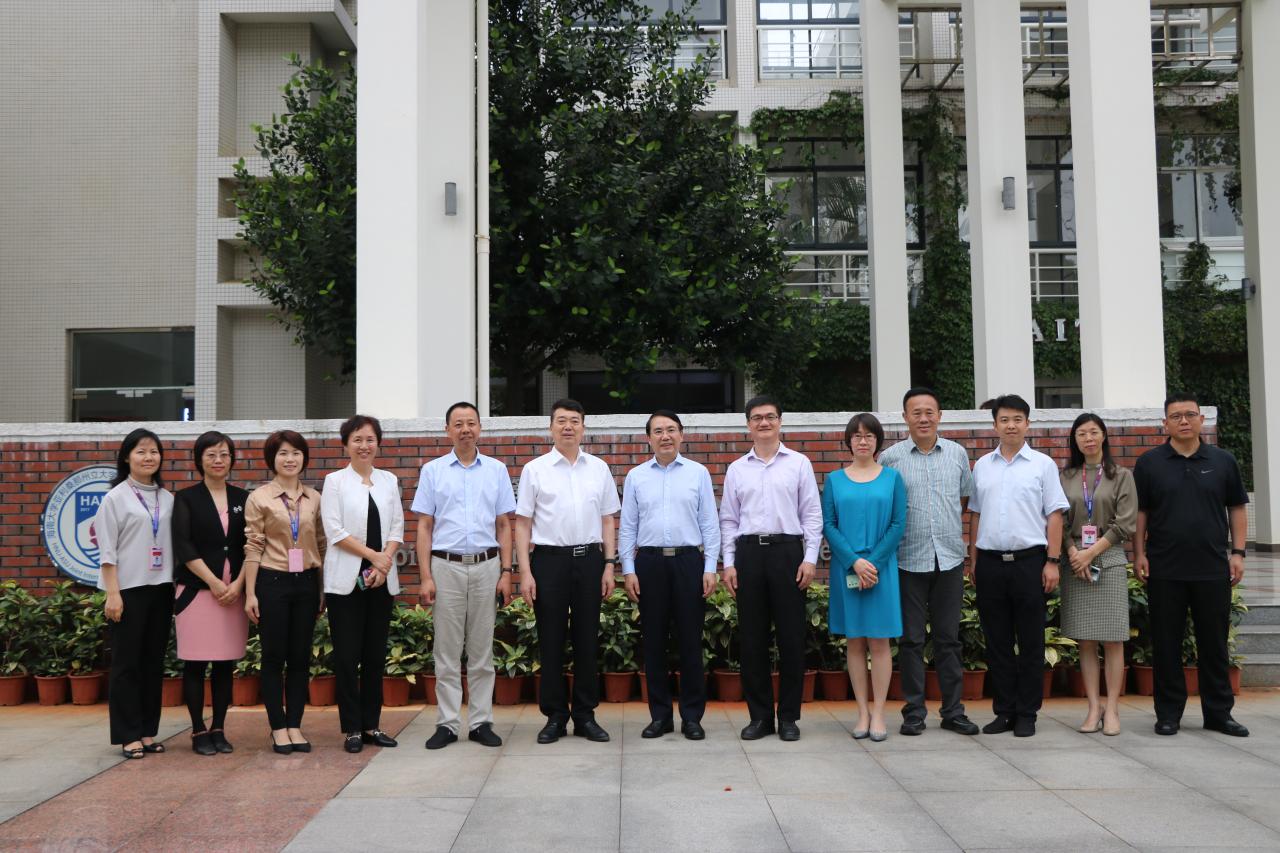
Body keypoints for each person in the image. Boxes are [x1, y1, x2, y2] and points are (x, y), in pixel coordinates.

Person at [1134, 393, 1250, 737]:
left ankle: (1219, 713)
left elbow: (1237, 507)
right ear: (1165, 424)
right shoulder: (1150, 463)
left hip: (1212, 567)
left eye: (1189, 415)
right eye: (1176, 416)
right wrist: (1139, 553)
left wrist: (1238, 552)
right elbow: (1141, 513)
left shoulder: (1223, 461)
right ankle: (1168, 714)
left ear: (1201, 419)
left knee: (1214, 644)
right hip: (1164, 568)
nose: (1183, 421)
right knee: (1166, 644)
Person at [515, 398, 620, 744]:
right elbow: (522, 524)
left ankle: (586, 716)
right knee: (551, 640)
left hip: (590, 560)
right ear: (551, 427)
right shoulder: (535, 469)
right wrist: (525, 572)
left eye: (574, 420)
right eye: (561, 421)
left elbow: (608, 520)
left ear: (583, 427)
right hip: (549, 562)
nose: (568, 427)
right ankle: (555, 717)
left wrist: (609, 565)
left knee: (587, 640)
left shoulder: (598, 468)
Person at [413, 401, 516, 750]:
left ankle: (481, 722)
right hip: (446, 567)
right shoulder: (433, 471)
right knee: (446, 649)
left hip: (487, 566)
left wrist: (506, 572)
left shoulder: (496, 470)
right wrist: (425, 576)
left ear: (480, 429)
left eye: (471, 423)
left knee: (481, 649)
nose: (465, 429)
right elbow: (424, 526)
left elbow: (504, 525)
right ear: (447, 431)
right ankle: (446, 724)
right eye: (458, 424)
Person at [720, 395, 822, 742]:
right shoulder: (737, 469)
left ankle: (789, 717)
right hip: (749, 555)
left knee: (791, 639)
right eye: (757, 418)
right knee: (752, 640)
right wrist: (729, 562)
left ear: (780, 421)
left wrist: (810, 558)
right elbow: (728, 519)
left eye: (770, 417)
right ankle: (760, 717)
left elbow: (811, 515)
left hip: (787, 554)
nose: (764, 423)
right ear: (748, 424)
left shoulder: (799, 463)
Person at [879, 387, 980, 738]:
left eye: (929, 412)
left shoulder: (956, 453)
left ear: (939, 415)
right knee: (910, 640)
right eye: (916, 412)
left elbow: (963, 500)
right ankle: (914, 713)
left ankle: (953, 711)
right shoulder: (890, 458)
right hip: (907, 560)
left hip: (948, 558)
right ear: (905, 417)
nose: (923, 418)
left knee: (948, 639)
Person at [967, 394, 1068, 738]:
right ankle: (1004, 711)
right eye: (1004, 419)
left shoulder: (1042, 465)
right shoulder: (983, 465)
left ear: (1027, 423)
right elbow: (975, 515)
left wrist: (1052, 561)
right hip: (990, 564)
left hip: (1030, 563)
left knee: (1030, 641)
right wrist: (974, 561)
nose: (1011, 425)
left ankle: (1027, 713)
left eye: (1017, 419)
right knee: (996, 641)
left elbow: (1055, 515)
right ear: (994, 425)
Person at [619, 410, 720, 740]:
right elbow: (628, 526)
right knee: (653, 643)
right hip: (649, 564)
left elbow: (709, 524)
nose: (665, 436)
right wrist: (628, 569)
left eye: (671, 430)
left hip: (688, 562)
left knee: (690, 642)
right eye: (658, 431)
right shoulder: (636, 476)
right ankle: (660, 716)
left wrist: (710, 567)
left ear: (681, 435)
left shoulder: (698, 473)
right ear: (648, 438)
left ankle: (692, 717)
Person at [321, 415, 405, 754]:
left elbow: (397, 527)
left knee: (374, 655)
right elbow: (335, 531)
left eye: (370, 439)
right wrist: (374, 557)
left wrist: (384, 563)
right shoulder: (334, 481)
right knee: (346, 656)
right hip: (346, 582)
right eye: (357, 439)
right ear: (346, 444)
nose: (364, 445)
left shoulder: (389, 480)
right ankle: (352, 729)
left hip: (381, 581)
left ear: (378, 443)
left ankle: (372, 725)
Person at [821, 413, 908, 742]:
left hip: (881, 569)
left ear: (877, 441)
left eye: (869, 435)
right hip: (847, 568)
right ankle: (861, 712)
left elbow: (898, 524)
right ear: (848, 441)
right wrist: (854, 561)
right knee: (855, 641)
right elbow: (829, 524)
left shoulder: (892, 478)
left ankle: (880, 713)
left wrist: (872, 562)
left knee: (880, 641)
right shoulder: (834, 480)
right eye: (856, 435)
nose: (862, 441)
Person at [243, 430, 326, 755]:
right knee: (274, 657)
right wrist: (251, 593)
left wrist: (322, 589)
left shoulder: (314, 498)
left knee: (300, 657)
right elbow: (253, 545)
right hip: (272, 582)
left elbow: (321, 544)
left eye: (295, 453)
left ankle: (295, 725)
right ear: (272, 459)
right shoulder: (259, 497)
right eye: (283, 453)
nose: (290, 459)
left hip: (306, 583)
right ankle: (277, 727)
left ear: (304, 458)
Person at [95, 428, 175, 759]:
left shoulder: (167, 499)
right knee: (126, 665)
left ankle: (146, 731)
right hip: (128, 590)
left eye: (154, 451)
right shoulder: (115, 498)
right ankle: (127, 735)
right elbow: (107, 552)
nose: (148, 457)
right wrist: (112, 594)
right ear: (127, 457)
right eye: (141, 451)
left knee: (152, 663)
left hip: (162, 589)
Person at [172, 431, 251, 756]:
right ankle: (197, 730)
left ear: (232, 459)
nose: (218, 461)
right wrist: (214, 582)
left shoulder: (243, 497)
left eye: (224, 454)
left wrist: (239, 584)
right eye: (211, 455)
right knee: (195, 663)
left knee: (224, 664)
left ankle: (218, 727)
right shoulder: (186, 498)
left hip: (234, 593)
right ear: (199, 460)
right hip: (197, 591)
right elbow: (183, 544)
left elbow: (252, 545)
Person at [1059, 413, 1136, 736]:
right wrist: (1072, 551)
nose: (1088, 438)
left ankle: (1113, 707)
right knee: (1086, 639)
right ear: (1074, 440)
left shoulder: (1121, 475)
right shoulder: (1066, 476)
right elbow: (1058, 520)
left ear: (1104, 435)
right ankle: (1093, 707)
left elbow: (1126, 523)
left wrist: (1090, 553)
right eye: (1081, 433)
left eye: (1093, 432)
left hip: (1109, 557)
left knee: (1113, 639)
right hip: (1074, 560)